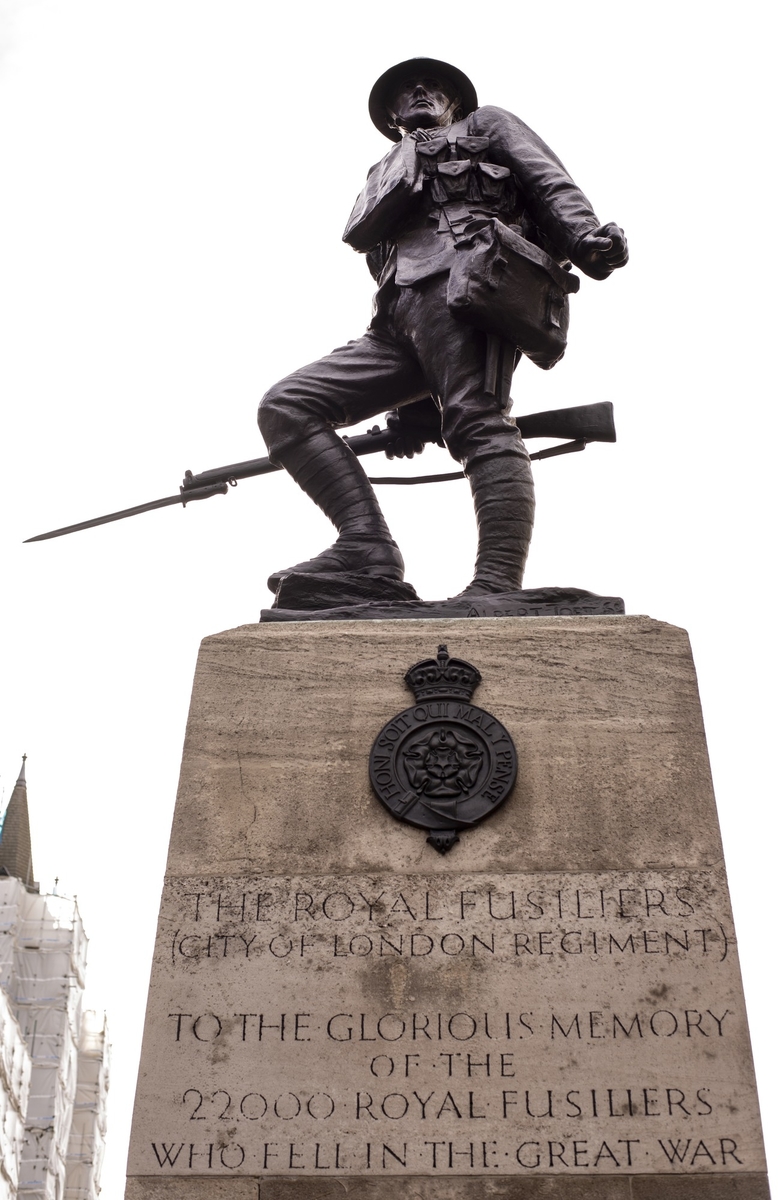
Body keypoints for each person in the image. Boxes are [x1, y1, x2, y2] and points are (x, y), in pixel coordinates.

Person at [258, 58, 627, 598]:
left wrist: (585, 237)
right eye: (405, 90)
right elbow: (377, 254)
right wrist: (411, 407)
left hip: (474, 282)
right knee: (287, 406)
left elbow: (550, 185)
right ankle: (365, 546)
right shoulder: (383, 170)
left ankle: (496, 583)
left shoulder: (487, 126)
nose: (421, 91)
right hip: (398, 315)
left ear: (456, 99)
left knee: (478, 421)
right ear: (391, 114)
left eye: (433, 85)